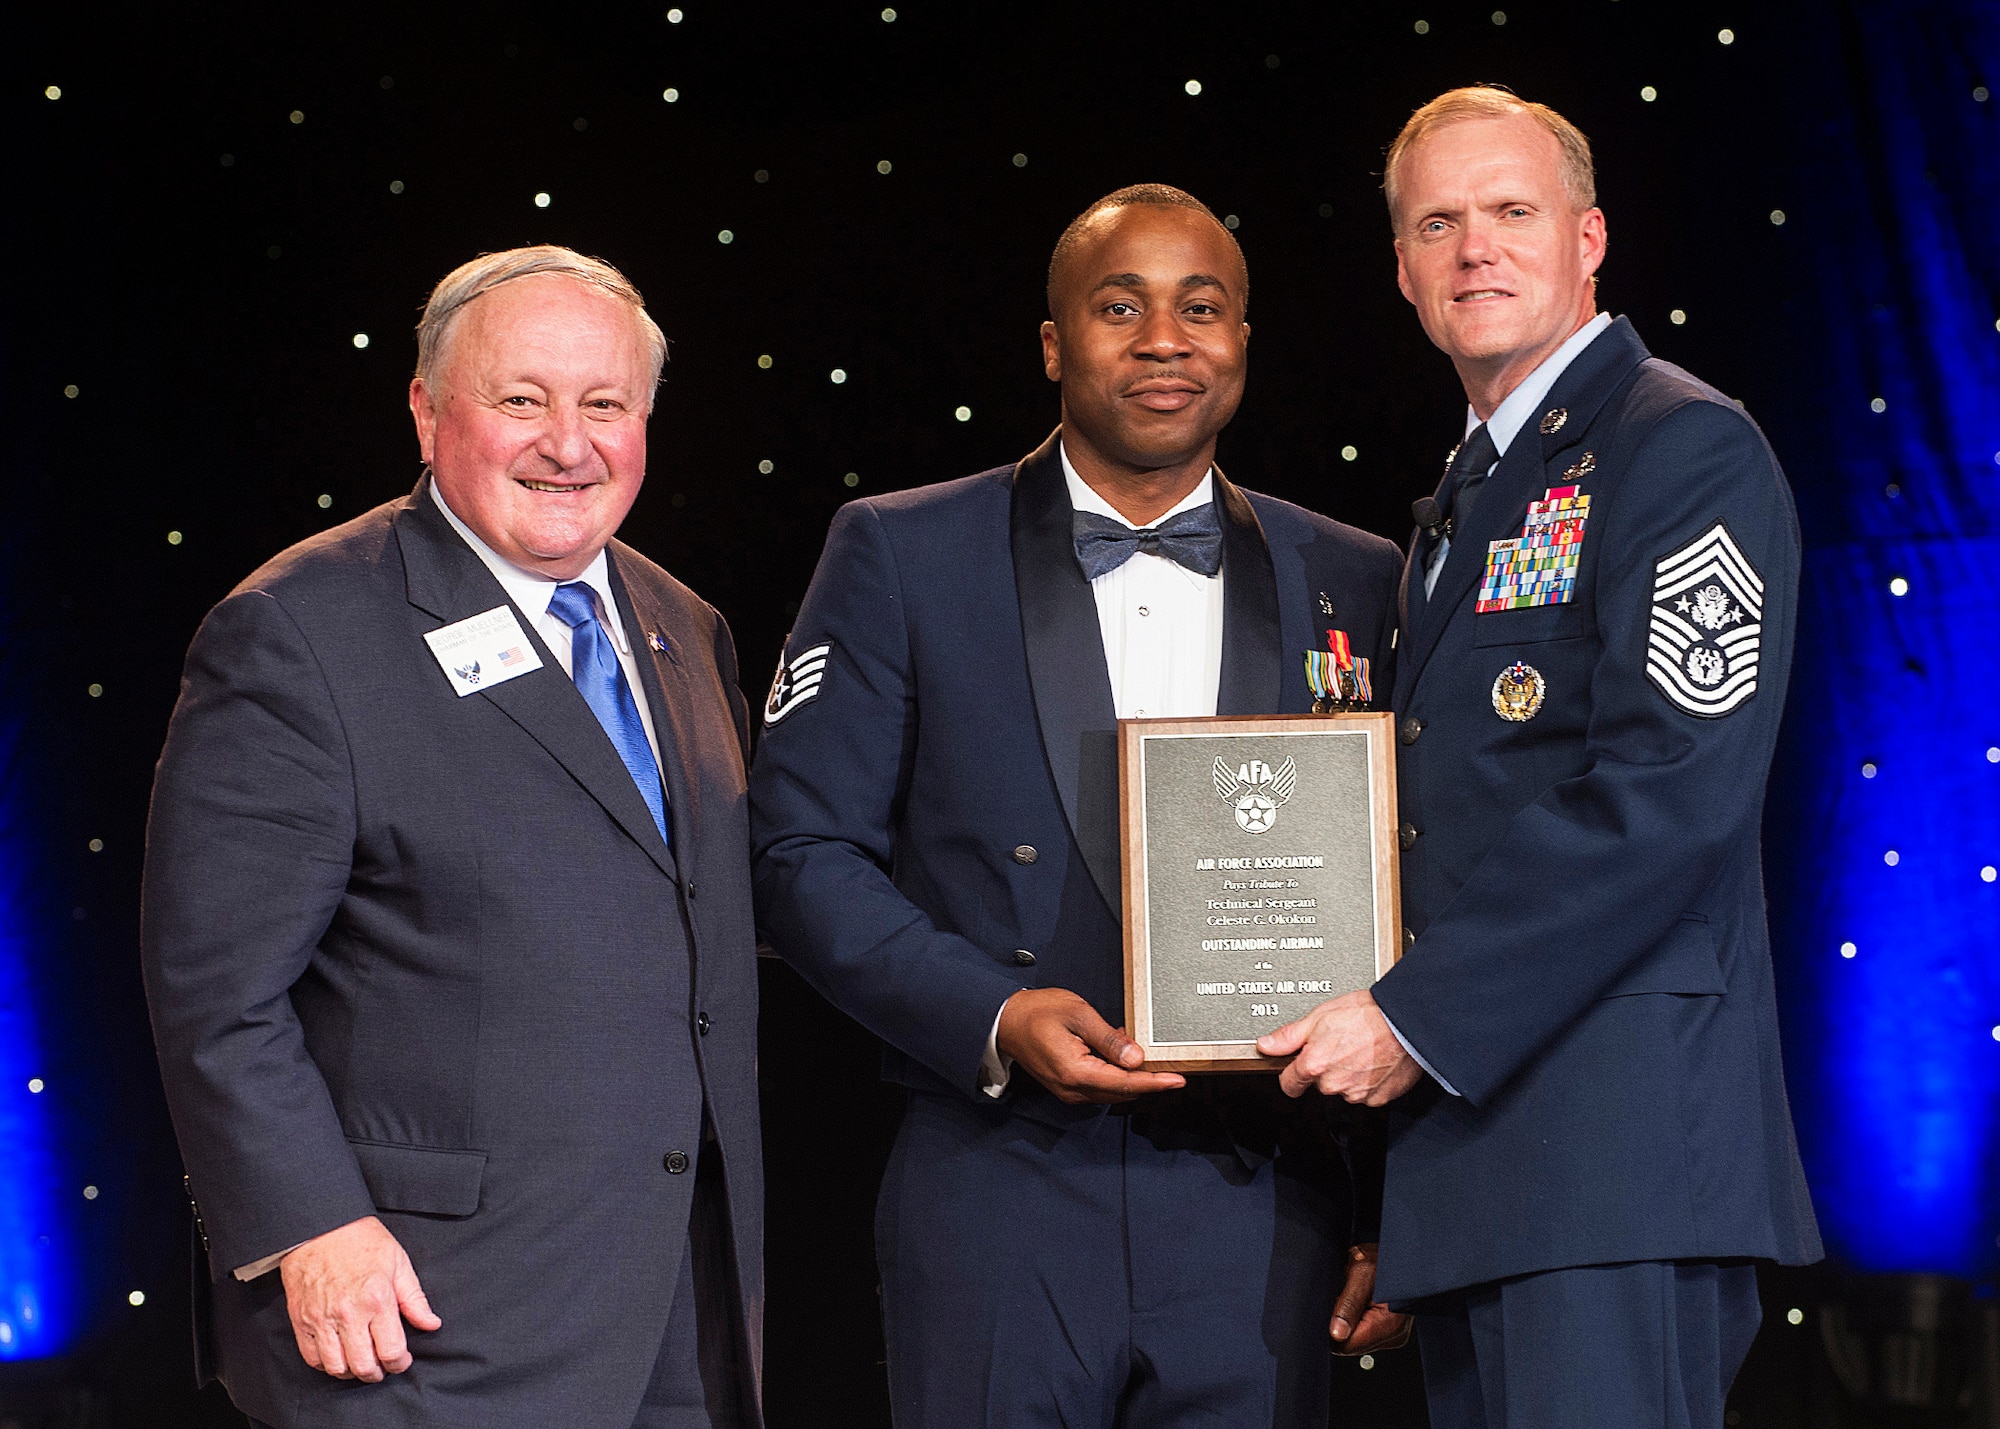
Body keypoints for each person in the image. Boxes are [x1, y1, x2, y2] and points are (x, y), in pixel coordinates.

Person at [749, 185, 1408, 1428]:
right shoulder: (900, 549)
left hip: (1266, 1198)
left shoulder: (1357, 575)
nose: (1165, 339)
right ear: (1054, 345)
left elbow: (1403, 885)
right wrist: (991, 1009)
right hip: (996, 1181)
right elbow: (797, 850)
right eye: (1120, 307)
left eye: (1199, 308)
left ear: (1243, 343)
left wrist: (1391, 1205)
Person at [1256, 87, 1823, 1427]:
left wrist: (1409, 1020)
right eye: (1438, 222)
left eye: (1512, 213)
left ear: (1590, 239)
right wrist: (1424, 1197)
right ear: (1400, 268)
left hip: (1615, 1168)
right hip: (1501, 1171)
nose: (1475, 250)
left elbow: (1667, 798)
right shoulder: (1469, 496)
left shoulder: (1677, 446)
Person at [140, 246, 763, 1428]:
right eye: (520, 399)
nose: (566, 443)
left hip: (674, 1310)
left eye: (605, 405)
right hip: (417, 1320)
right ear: (428, 410)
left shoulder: (686, 626)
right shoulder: (299, 630)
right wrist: (306, 1223)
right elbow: (214, 989)